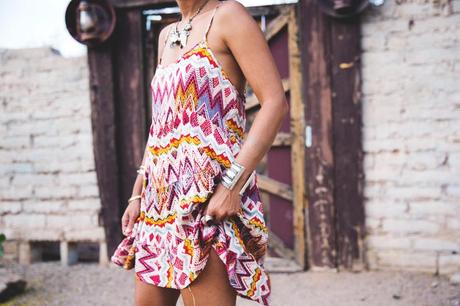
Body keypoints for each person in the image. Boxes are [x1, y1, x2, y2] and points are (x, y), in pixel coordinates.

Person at [114, 0, 288, 305]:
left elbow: (274, 102)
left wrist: (232, 185)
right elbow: (161, 124)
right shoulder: (166, 34)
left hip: (206, 197)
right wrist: (138, 191)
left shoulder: (228, 16)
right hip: (159, 204)